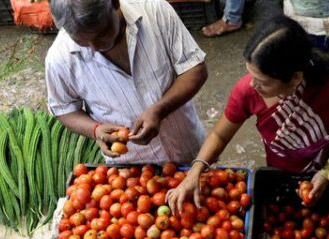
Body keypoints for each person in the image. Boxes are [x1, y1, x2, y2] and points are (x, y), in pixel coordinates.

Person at [167, 15, 329, 212]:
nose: (252, 85)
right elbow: (219, 135)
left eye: (263, 82)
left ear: (294, 78)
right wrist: (195, 171)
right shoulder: (247, 91)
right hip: (280, 168)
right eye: (250, 75)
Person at [45, 0, 208, 164]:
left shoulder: (155, 12)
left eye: (102, 34)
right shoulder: (60, 59)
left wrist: (160, 110)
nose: (94, 47)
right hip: (130, 170)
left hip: (188, 148)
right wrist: (95, 130)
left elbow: (195, 70)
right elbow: (64, 109)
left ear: (115, 4)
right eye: (81, 42)